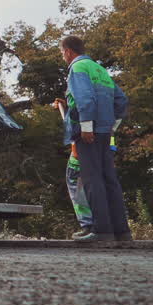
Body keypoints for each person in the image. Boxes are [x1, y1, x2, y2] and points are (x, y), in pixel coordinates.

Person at [61, 36, 132, 242]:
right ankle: (121, 231)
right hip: (105, 132)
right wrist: (112, 126)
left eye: (62, 53)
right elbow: (121, 100)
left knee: (92, 179)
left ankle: (101, 231)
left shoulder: (78, 68)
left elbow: (84, 98)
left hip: (89, 132)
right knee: (109, 179)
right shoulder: (100, 70)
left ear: (68, 51)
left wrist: (86, 126)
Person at [53, 99, 94, 238]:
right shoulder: (103, 88)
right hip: (99, 150)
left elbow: (78, 120)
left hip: (81, 151)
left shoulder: (79, 84)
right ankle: (101, 225)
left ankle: (88, 225)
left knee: (77, 186)